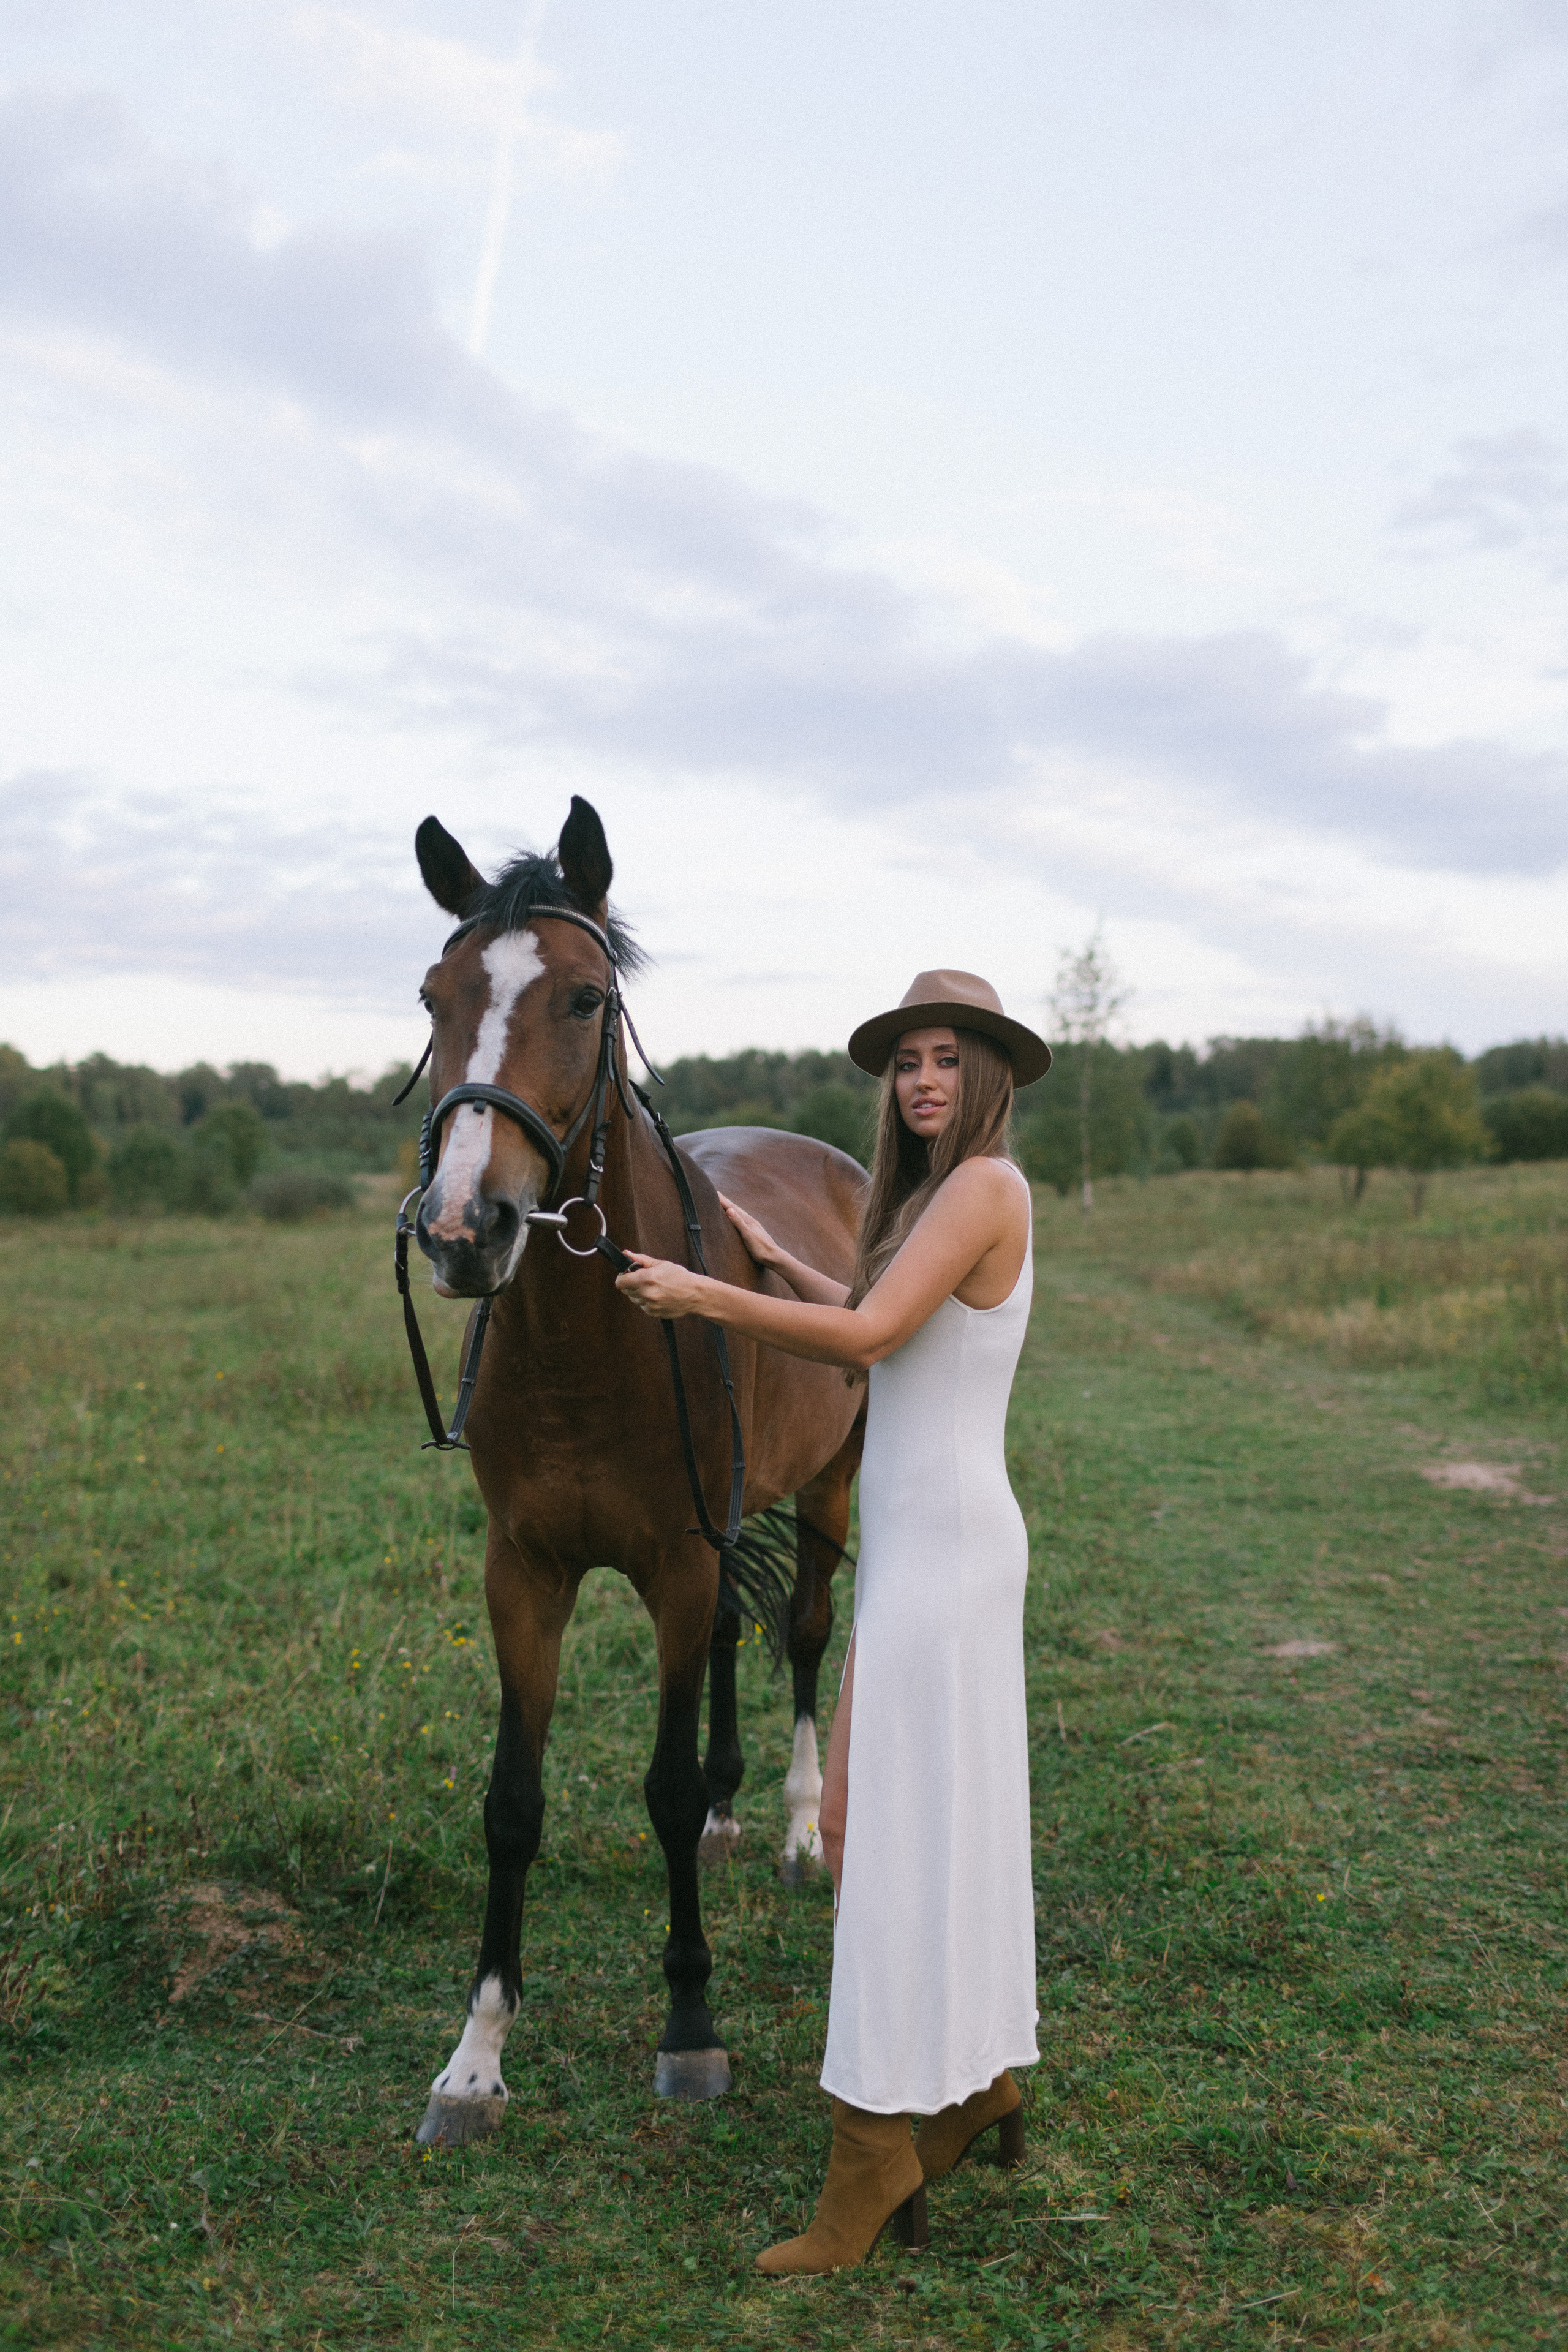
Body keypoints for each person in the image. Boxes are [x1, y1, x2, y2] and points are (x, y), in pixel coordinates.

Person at [615, 969, 1051, 2274]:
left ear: (988, 1077)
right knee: (910, 1825)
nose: (920, 1079)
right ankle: (974, 2084)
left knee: (882, 1831)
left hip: (947, 1553)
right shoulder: (936, 1198)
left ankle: (867, 2161)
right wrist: (773, 1254)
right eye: (906, 1060)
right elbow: (884, 1332)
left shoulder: (982, 1186)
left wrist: (705, 1299)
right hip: (927, 1546)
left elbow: (864, 1333)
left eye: (944, 1059)